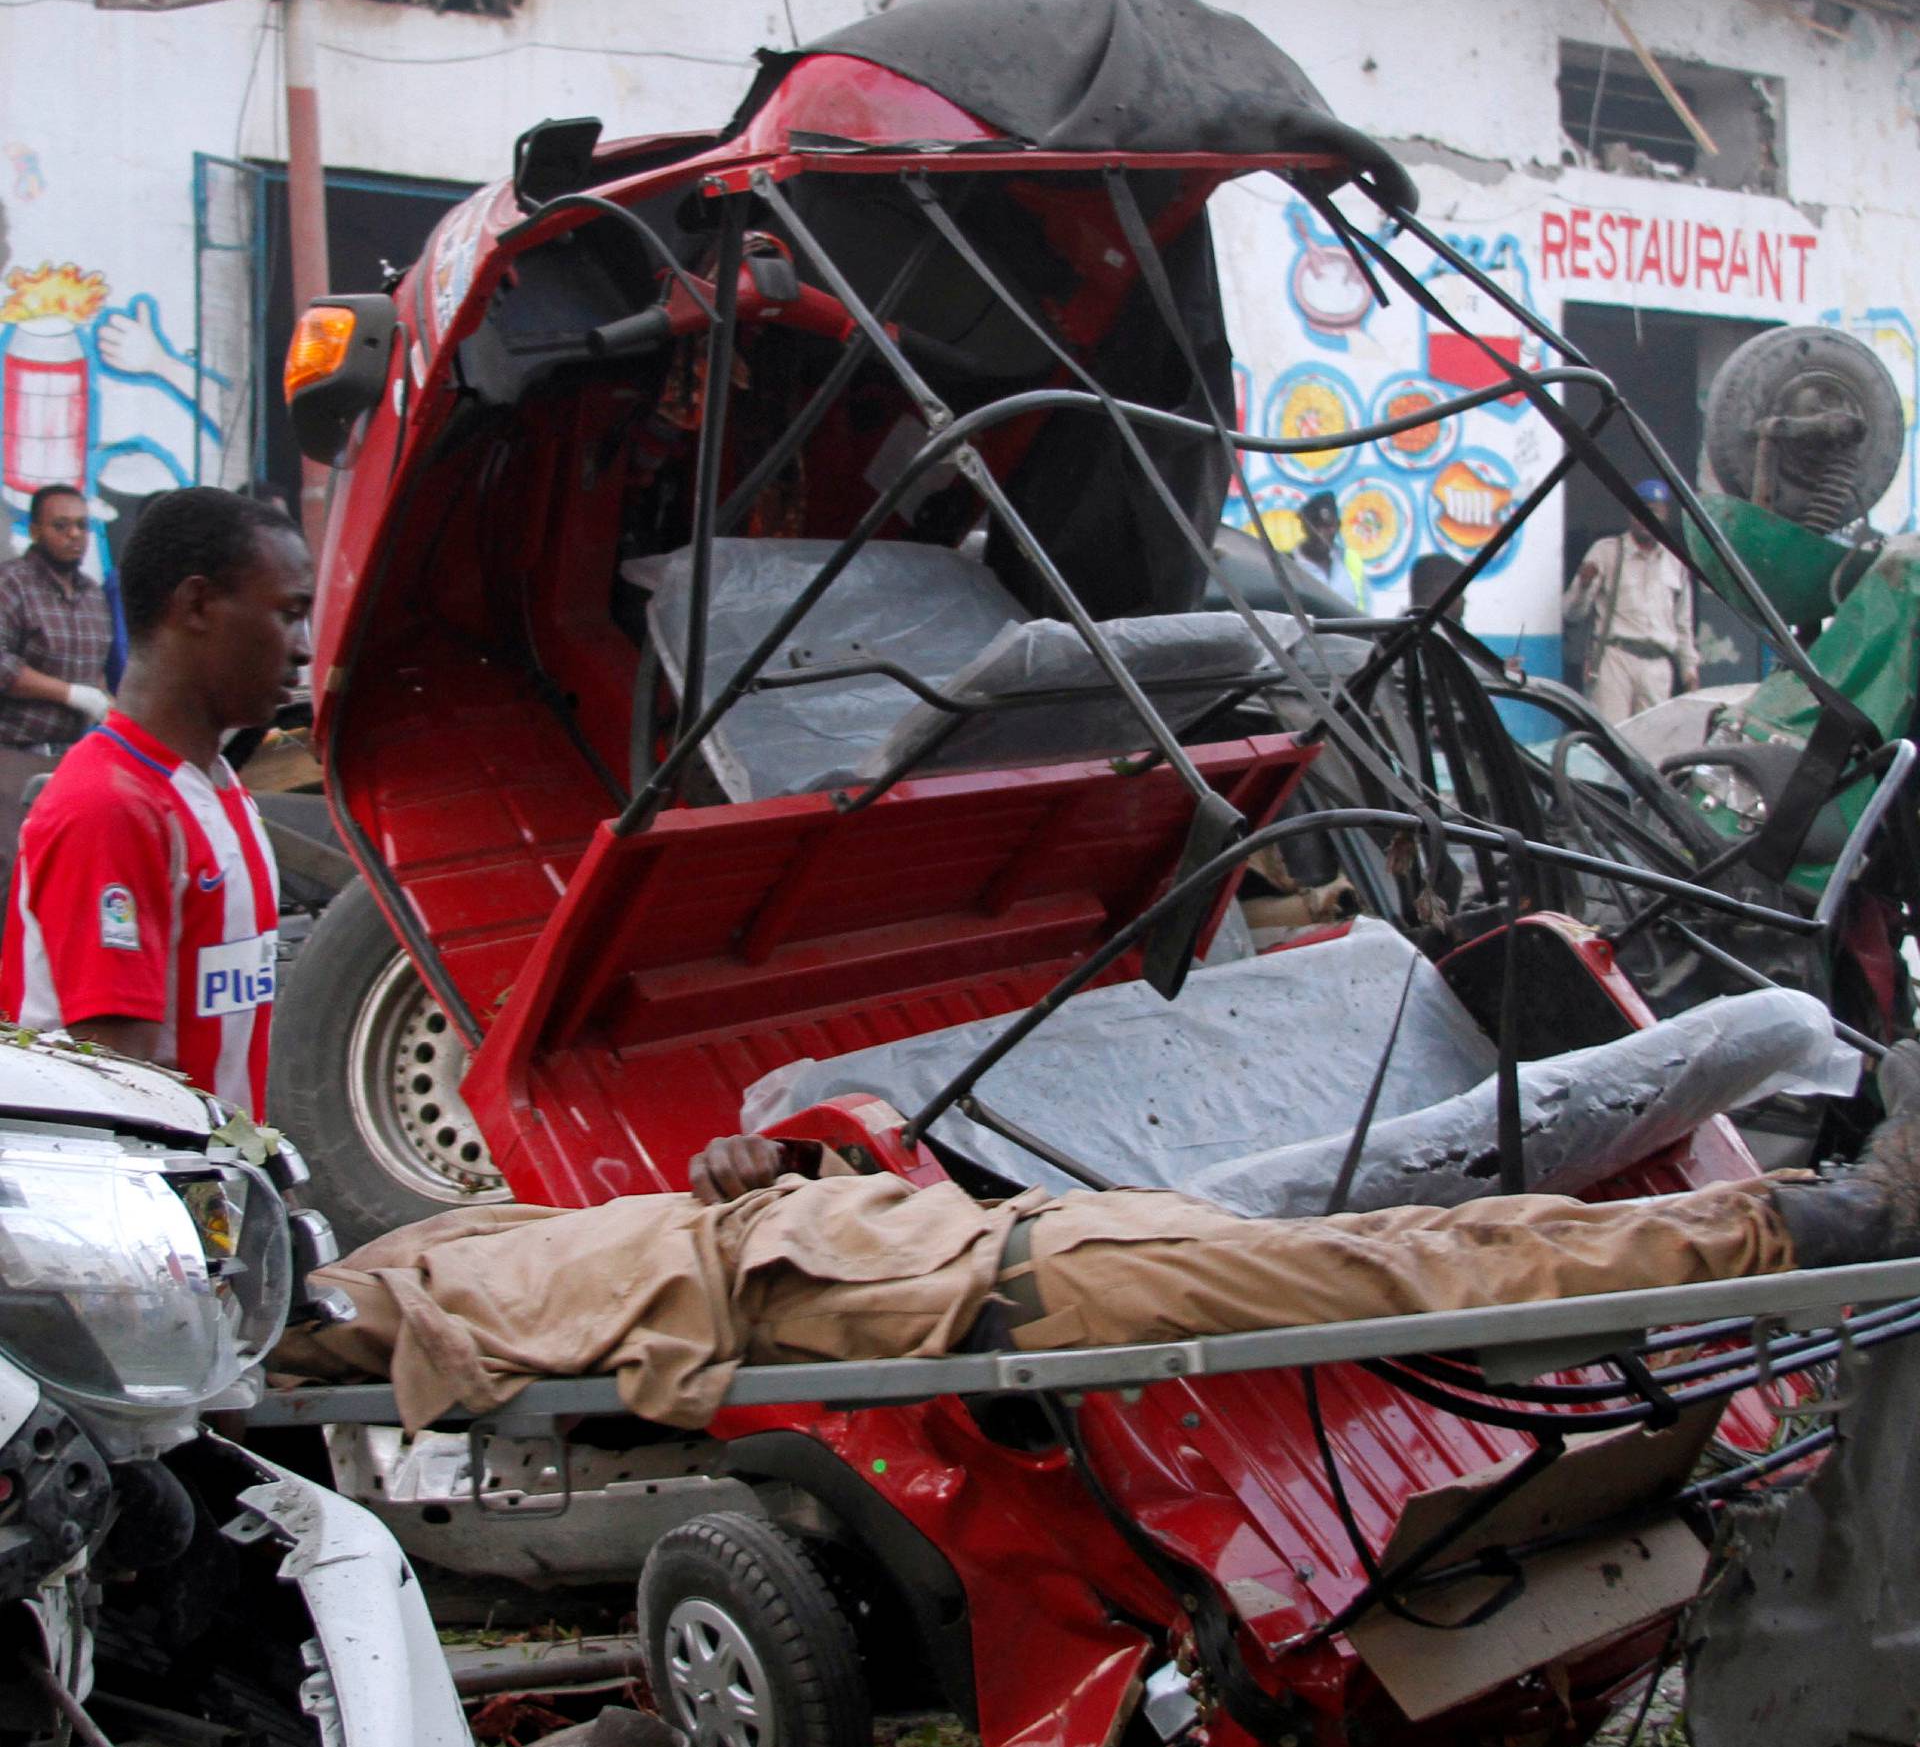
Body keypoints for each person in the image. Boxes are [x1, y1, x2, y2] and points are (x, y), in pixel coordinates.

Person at [276, 1054, 1920, 1435]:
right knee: (1422, 1268)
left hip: (1021, 1238)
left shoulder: (462, 1232)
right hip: (1019, 1284)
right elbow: (363, 1339)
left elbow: (680, 1250)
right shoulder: (406, 1300)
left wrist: (751, 1174)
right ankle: (1816, 1216)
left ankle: (1801, 1211)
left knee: (1420, 1238)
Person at [0, 487, 314, 1116]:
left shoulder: (217, 787)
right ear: (197, 604)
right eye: (288, 613)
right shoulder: (112, 806)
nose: (304, 645)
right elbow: (124, 1097)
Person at [0, 484, 114, 865]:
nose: (74, 536)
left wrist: (103, 705)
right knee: (13, 871)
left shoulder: (93, 593)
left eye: (82, 526)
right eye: (61, 526)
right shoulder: (11, 582)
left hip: (73, 760)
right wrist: (70, 695)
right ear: (34, 531)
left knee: (66, 867)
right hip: (14, 756)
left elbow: (94, 670)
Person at [1563, 481, 1700, 724]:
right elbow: (1572, 613)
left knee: (1651, 742)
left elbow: (1683, 625)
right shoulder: (1606, 551)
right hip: (1615, 660)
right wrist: (1583, 586)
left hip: (1658, 666)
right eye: (1642, 510)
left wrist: (1689, 672)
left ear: (1665, 514)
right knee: (1610, 738)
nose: (1647, 518)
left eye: (1655, 511)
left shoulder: (1675, 561)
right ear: (1630, 514)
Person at [1295, 490, 1368, 610]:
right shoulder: (1288, 564)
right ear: (1304, 526)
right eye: (1317, 525)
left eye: (1329, 526)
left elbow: (1366, 612)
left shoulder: (1351, 561)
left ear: (1338, 526)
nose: (1322, 533)